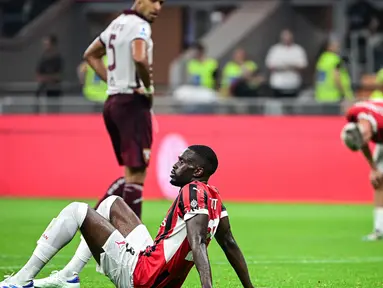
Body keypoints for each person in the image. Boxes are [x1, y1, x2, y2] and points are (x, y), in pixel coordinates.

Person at [32, 0, 161, 286]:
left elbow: (90, 55)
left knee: (130, 177)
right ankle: (131, 252)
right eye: (155, 1)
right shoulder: (140, 25)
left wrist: (112, 81)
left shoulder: (116, 24)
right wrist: (148, 88)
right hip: (131, 102)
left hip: (113, 101)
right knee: (137, 176)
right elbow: (140, 57)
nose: (159, 7)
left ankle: (92, 235)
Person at [0, 145, 254, 288]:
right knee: (112, 203)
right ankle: (70, 275)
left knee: (77, 210)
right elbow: (229, 243)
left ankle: (21, 280)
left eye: (182, 161)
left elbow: (197, 242)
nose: (175, 164)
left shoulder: (192, 189)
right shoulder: (214, 197)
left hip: (143, 278)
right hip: (156, 271)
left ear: (197, 170)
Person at [340, 100, 383, 241]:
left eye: (365, 137)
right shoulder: (353, 116)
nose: (365, 141)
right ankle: (380, 229)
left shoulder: (380, 123)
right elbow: (362, 142)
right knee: (378, 181)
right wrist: (374, 168)